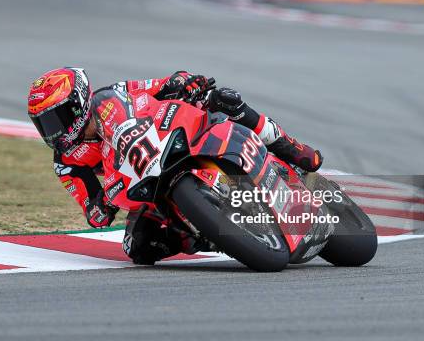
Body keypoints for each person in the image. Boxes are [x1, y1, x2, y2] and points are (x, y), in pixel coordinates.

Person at [28, 67, 322, 264]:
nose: (51, 131)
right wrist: (99, 207)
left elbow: (162, 86)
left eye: (56, 119)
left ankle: (289, 147)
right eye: (43, 124)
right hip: (140, 184)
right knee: (138, 247)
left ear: (78, 104)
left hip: (171, 137)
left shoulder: (113, 95)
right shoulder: (66, 162)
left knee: (223, 99)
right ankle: (203, 234)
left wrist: (183, 82)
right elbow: (91, 210)